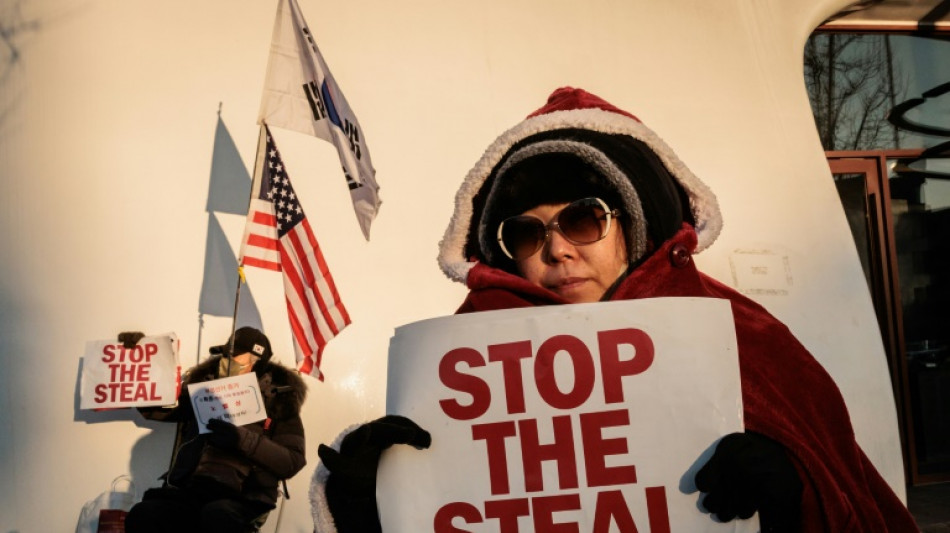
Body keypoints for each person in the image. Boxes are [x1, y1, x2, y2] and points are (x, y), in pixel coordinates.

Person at [310, 87, 919, 532]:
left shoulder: (741, 336)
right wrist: (369, 506)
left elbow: (850, 501)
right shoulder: (461, 364)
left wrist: (793, 494)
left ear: (632, 225)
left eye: (583, 218)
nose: (556, 248)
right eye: (525, 233)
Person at [123, 326, 308, 533]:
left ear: (257, 361)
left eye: (235, 356)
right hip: (191, 490)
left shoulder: (279, 401)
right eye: (225, 354)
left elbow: (293, 461)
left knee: (217, 516)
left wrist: (241, 439)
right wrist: (140, 358)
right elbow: (157, 407)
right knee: (144, 514)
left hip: (243, 496)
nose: (225, 361)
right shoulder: (204, 390)